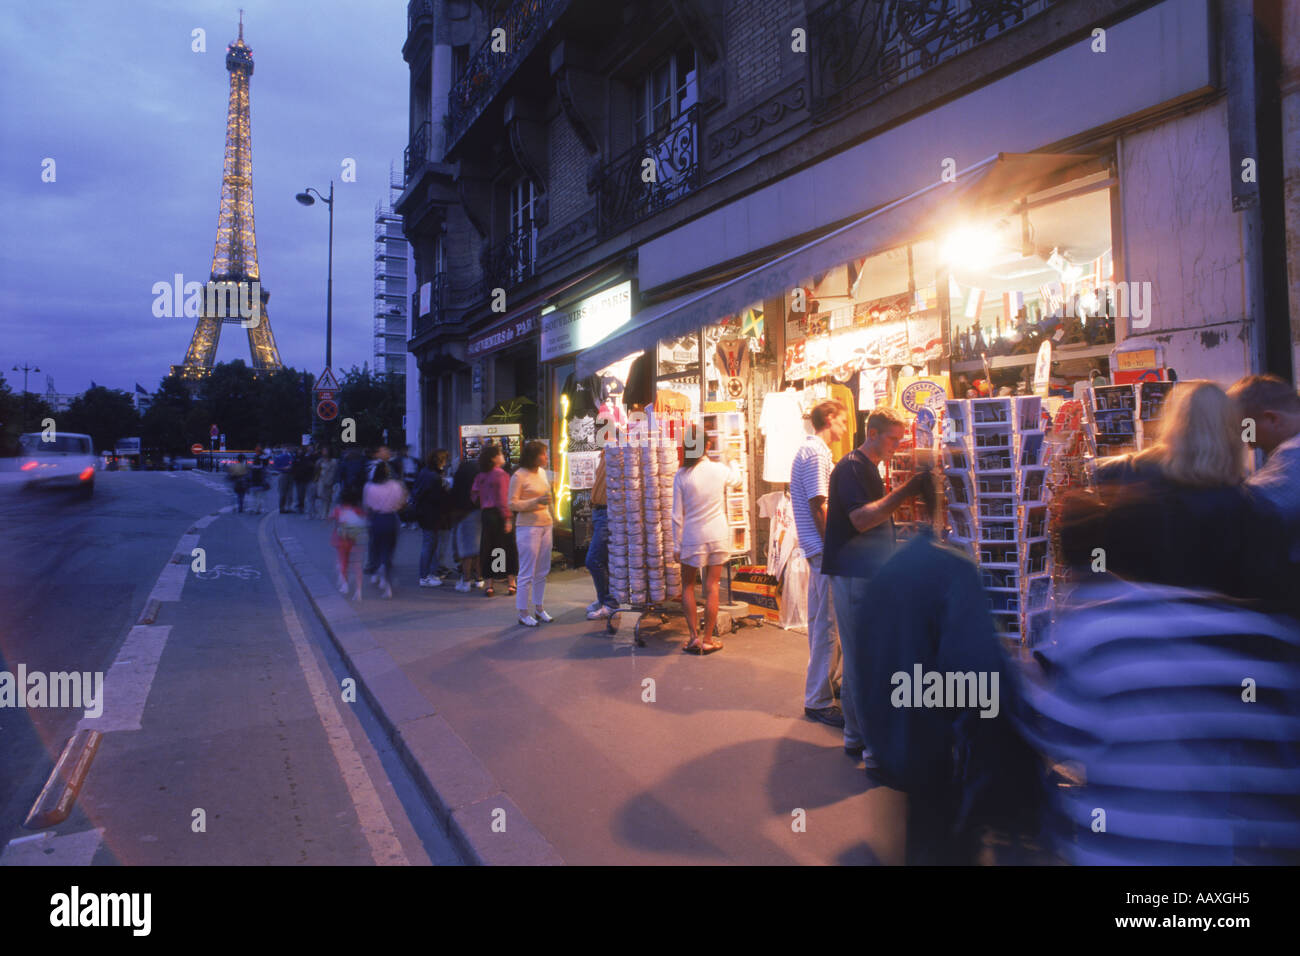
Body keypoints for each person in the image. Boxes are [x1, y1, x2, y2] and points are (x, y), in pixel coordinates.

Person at [1020, 502, 1300, 865]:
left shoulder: (1100, 634)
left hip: (1120, 851)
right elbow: (1276, 784)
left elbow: (1059, 734)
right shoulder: (1258, 640)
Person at [1082, 380, 1291, 609]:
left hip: (1133, 626)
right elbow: (1264, 594)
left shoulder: (1118, 476)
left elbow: (1095, 555)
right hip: (1210, 634)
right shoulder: (1251, 507)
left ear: (1172, 422)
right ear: (1231, 430)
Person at [823, 406, 930, 760]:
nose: (897, 446)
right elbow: (861, 519)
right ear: (872, 432)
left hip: (863, 572)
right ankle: (875, 751)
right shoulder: (854, 467)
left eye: (900, 439)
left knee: (861, 659)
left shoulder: (866, 467)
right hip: (855, 574)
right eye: (893, 438)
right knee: (864, 660)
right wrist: (906, 492)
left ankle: (857, 736)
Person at [789, 399, 848, 727]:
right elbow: (818, 505)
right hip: (822, 549)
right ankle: (818, 701)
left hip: (817, 549)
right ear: (828, 419)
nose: (843, 428)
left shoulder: (810, 452)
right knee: (827, 625)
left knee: (825, 623)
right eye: (841, 421)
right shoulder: (816, 453)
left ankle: (828, 685)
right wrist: (833, 544)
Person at [671, 426, 743, 654]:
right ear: (707, 446)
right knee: (713, 587)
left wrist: (675, 544)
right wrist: (733, 461)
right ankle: (709, 639)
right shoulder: (719, 470)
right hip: (718, 534)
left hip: (692, 536)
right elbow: (737, 480)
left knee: (688, 587)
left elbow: (676, 515)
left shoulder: (681, 475)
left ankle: (693, 637)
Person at [1229, 373, 1300, 562]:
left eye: (1245, 429)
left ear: (1272, 419)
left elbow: (1245, 509)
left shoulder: (1294, 454)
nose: (1246, 441)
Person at [509, 440, 555, 627]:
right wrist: (535, 502)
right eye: (543, 454)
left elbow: (546, 496)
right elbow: (512, 504)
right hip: (527, 527)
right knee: (527, 571)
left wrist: (551, 513)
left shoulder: (542, 473)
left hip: (546, 524)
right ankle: (523, 612)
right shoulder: (519, 476)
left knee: (542, 571)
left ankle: (539, 607)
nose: (546, 457)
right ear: (534, 456)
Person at [473, 444, 518, 598]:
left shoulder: (481, 476)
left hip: (486, 514)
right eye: (500, 454)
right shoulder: (502, 475)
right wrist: (507, 518)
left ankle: (489, 585)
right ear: (494, 458)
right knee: (506, 547)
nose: (503, 456)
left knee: (488, 547)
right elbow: (503, 498)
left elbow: (474, 495)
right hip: (500, 514)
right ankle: (511, 582)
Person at [363, 462, 407, 598]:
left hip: (376, 518)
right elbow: (401, 503)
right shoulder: (396, 486)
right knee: (388, 549)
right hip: (391, 519)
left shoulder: (369, 487)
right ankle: (386, 582)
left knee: (375, 547)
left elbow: (367, 506)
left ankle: (376, 570)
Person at [584, 447, 618, 620]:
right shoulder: (606, 453)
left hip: (607, 512)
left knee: (594, 560)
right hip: (600, 511)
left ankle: (609, 602)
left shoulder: (618, 453)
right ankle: (604, 600)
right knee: (602, 560)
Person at [413, 449, 451, 587]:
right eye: (445, 460)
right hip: (431, 515)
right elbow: (438, 498)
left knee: (429, 544)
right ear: (440, 461)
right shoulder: (433, 477)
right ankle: (424, 576)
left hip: (424, 513)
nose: (446, 463)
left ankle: (428, 574)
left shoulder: (425, 472)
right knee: (429, 545)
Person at [449, 452, 484, 592]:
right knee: (478, 549)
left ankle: (466, 580)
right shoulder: (478, 475)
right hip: (478, 513)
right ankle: (480, 578)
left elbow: (453, 496)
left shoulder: (459, 477)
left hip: (464, 514)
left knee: (466, 551)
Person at [330, 485, 368, 600]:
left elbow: (330, 518)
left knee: (344, 563)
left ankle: (345, 585)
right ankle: (359, 591)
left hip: (342, 541)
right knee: (357, 565)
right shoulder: (358, 511)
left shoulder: (338, 510)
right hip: (356, 540)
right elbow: (365, 522)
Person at [313, 447, 338, 520]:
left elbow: (335, 472)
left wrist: (334, 481)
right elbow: (317, 470)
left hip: (330, 480)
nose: (324, 452)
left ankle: (325, 513)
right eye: (323, 450)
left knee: (327, 498)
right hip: (321, 480)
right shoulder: (320, 461)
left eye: (326, 450)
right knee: (320, 495)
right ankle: (321, 512)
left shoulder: (334, 461)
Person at [293, 448, 316, 514]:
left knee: (309, 495)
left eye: (301, 451)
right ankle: (301, 506)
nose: (299, 452)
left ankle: (309, 508)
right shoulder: (296, 460)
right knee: (300, 495)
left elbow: (311, 468)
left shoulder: (307, 459)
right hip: (299, 480)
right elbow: (293, 469)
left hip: (306, 479)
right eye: (298, 451)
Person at [273, 447, 295, 513]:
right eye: (286, 449)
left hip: (291, 474)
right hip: (283, 474)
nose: (288, 450)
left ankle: (288, 507)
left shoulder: (293, 456)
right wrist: (283, 468)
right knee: (283, 492)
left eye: (289, 449)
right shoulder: (279, 457)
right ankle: (282, 508)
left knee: (290, 492)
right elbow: (276, 467)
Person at [247, 450, 267, 514]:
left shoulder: (251, 468)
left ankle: (253, 508)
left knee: (253, 497)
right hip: (260, 484)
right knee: (259, 497)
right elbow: (264, 477)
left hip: (253, 484)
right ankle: (258, 509)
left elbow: (249, 476)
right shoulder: (262, 468)